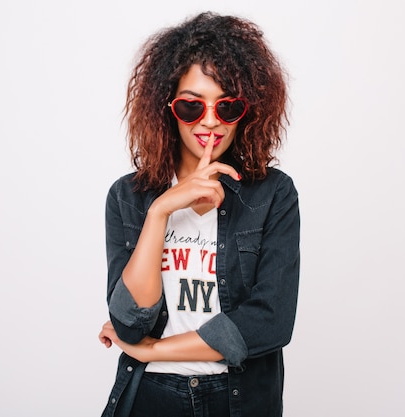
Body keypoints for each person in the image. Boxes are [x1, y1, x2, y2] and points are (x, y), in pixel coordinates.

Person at [98, 11, 300, 417]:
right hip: (149, 395)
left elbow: (270, 322)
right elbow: (129, 322)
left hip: (237, 399)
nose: (210, 121)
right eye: (192, 107)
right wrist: (161, 211)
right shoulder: (129, 197)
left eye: (227, 107)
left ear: (249, 112)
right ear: (167, 109)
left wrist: (154, 349)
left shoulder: (273, 195)